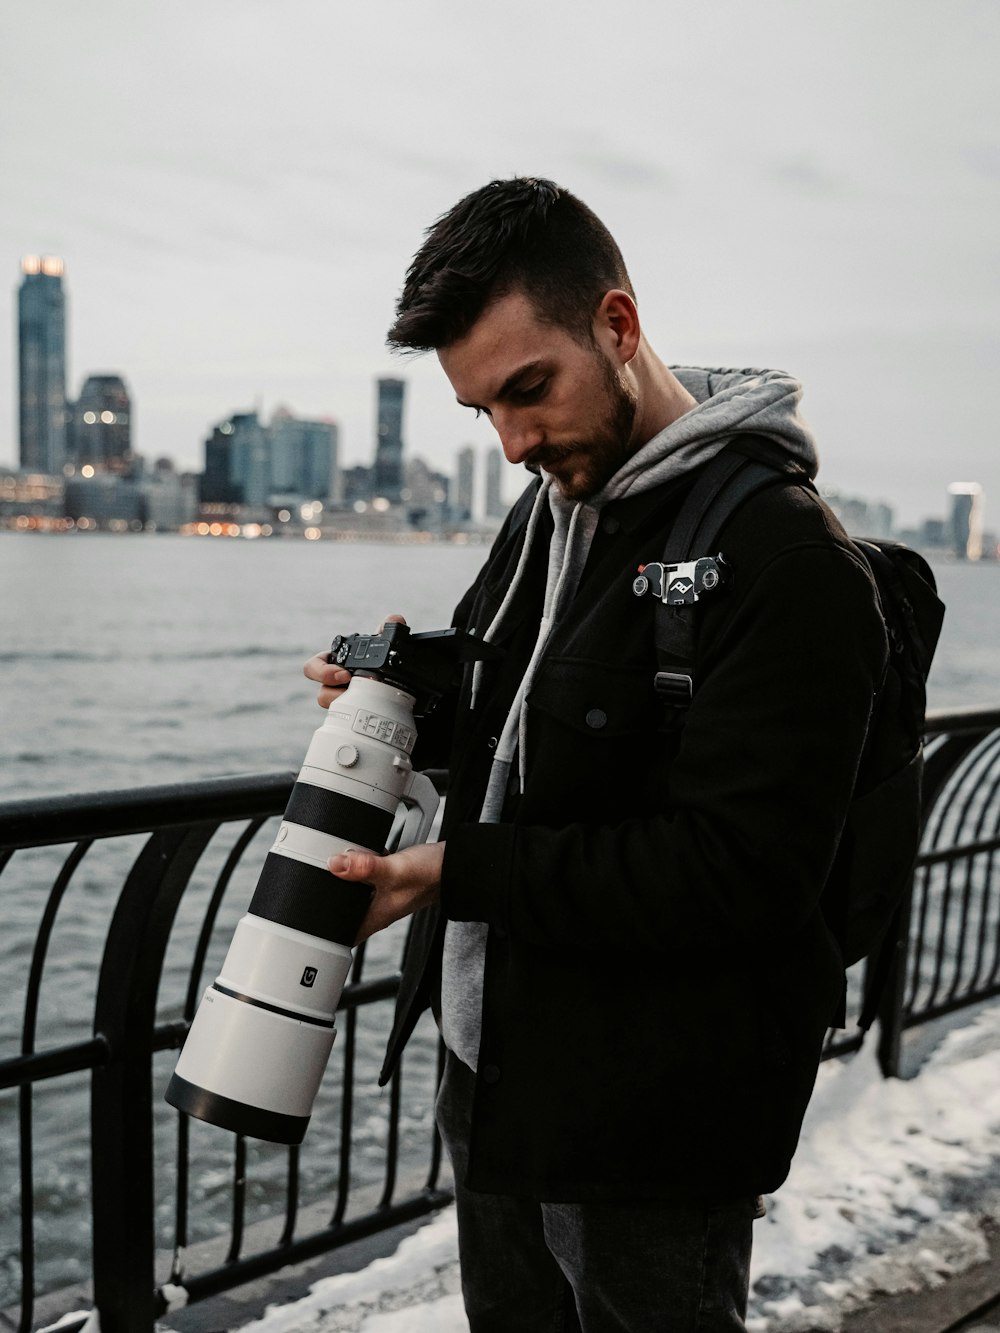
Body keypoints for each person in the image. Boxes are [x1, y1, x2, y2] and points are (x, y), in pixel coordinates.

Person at [304, 178, 887, 1332]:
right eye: (484, 414)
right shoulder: (551, 503)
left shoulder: (786, 559)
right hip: (498, 1070)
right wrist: (401, 696)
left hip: (652, 1118)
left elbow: (736, 871)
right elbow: (515, 703)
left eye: (529, 390)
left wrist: (451, 873)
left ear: (616, 326)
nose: (515, 441)